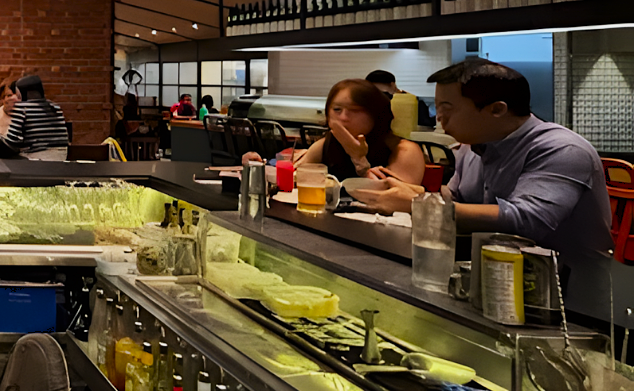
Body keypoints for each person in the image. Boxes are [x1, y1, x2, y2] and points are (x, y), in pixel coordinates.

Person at [357, 61, 612, 286]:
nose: (439, 118)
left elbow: (527, 220)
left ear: (497, 109)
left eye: (447, 108)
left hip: (572, 290)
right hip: (498, 278)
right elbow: (457, 198)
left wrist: (418, 204)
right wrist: (412, 191)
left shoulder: (562, 149)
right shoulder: (472, 146)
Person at [243, 78, 425, 184]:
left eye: (354, 110)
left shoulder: (404, 151)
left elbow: (399, 200)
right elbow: (295, 178)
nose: (343, 117)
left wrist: (360, 161)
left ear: (376, 114)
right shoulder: (327, 144)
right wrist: (257, 166)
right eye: (337, 110)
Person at [3, 74, 71, 160]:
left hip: (36, 157)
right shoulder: (55, 107)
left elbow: (12, 140)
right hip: (61, 155)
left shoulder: (22, 108)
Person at [366, 68, 433, 129]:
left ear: (392, 85)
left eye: (383, 92)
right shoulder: (371, 102)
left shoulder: (413, 101)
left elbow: (426, 125)